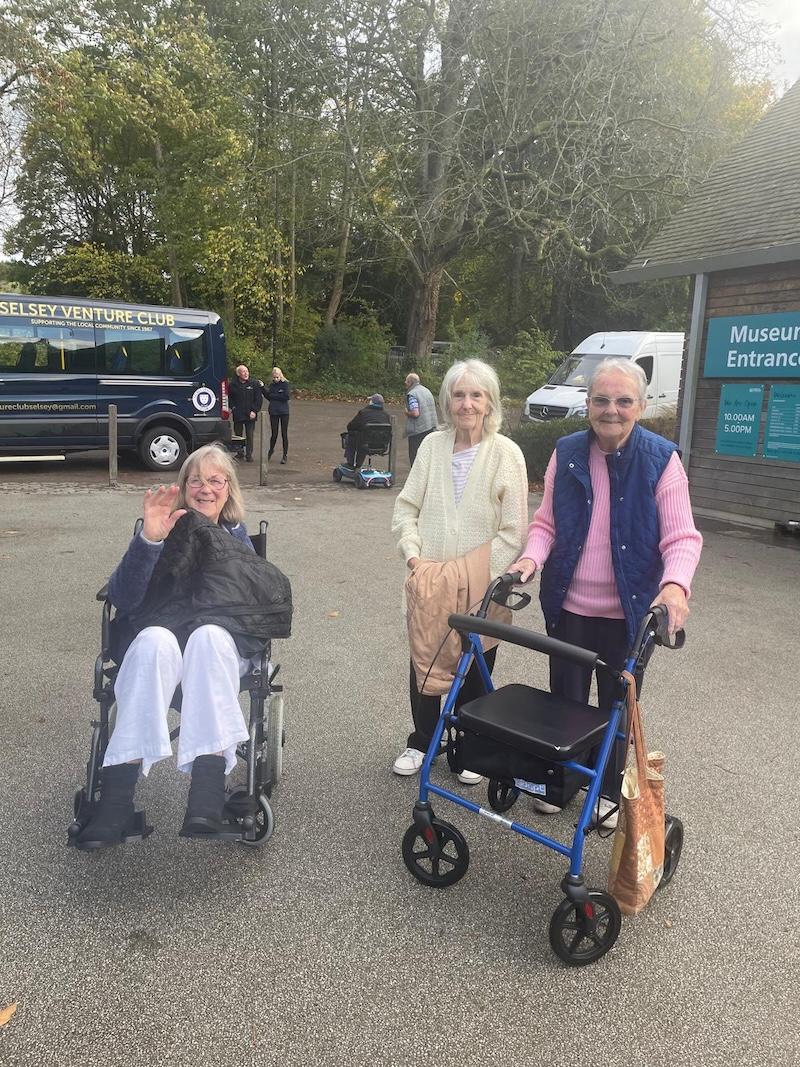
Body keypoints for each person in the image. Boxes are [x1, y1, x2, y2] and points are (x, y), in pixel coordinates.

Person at [508, 356, 702, 826]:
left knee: (615, 709)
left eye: (622, 400)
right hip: (570, 606)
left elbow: (681, 538)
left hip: (628, 615)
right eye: (600, 399)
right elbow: (546, 523)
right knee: (565, 703)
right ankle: (565, 781)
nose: (610, 409)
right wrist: (530, 558)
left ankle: (608, 791)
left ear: (640, 405)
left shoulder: (662, 460)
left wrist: (675, 586)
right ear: (588, 403)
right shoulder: (568, 450)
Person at [76, 444, 259, 849]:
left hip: (216, 649)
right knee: (156, 638)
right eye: (196, 479)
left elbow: (255, 607)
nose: (205, 488)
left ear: (228, 490)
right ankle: (117, 800)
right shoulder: (159, 528)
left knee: (208, 636)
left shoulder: (237, 538)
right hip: (159, 649)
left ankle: (207, 790)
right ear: (183, 487)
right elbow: (122, 597)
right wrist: (148, 541)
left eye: (215, 480)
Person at [391, 359, 529, 784]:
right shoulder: (432, 446)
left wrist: (472, 574)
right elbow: (406, 507)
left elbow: (513, 530)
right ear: (448, 401)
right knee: (425, 662)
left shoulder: (506, 454)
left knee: (474, 665)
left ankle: (471, 747)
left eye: (476, 395)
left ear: (490, 402)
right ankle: (422, 740)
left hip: (481, 588)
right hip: (428, 580)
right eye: (458, 395)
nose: (467, 404)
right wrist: (414, 557)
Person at [343, 393, 391, 467]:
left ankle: (350, 463)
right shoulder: (386, 415)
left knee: (351, 437)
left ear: (372, 402)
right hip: (381, 445)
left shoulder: (363, 413)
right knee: (364, 439)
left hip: (364, 443)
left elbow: (350, 426)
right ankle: (358, 464)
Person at [229, 364, 262, 462]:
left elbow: (258, 399)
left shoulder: (254, 384)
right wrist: (233, 407)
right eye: (243, 372)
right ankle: (240, 453)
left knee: (250, 435)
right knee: (238, 435)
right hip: (238, 414)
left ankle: (249, 454)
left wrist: (254, 410)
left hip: (250, 414)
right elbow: (229, 398)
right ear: (238, 374)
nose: (246, 373)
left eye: (247, 371)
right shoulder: (232, 385)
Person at [403, 372, 437, 465]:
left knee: (415, 457)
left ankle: (416, 478)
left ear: (410, 382)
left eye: (406, 381)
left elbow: (415, 413)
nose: (405, 383)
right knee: (426, 456)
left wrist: (407, 413)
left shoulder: (412, 394)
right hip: (431, 428)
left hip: (418, 431)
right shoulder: (427, 391)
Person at [263, 366, 291, 464]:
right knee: (274, 433)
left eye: (277, 377)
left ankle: (285, 455)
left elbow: (286, 396)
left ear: (280, 376)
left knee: (284, 433)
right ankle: (271, 450)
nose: (275, 379)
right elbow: (269, 397)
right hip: (274, 411)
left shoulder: (285, 384)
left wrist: (274, 396)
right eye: (274, 377)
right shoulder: (272, 385)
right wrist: (263, 388)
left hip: (284, 411)